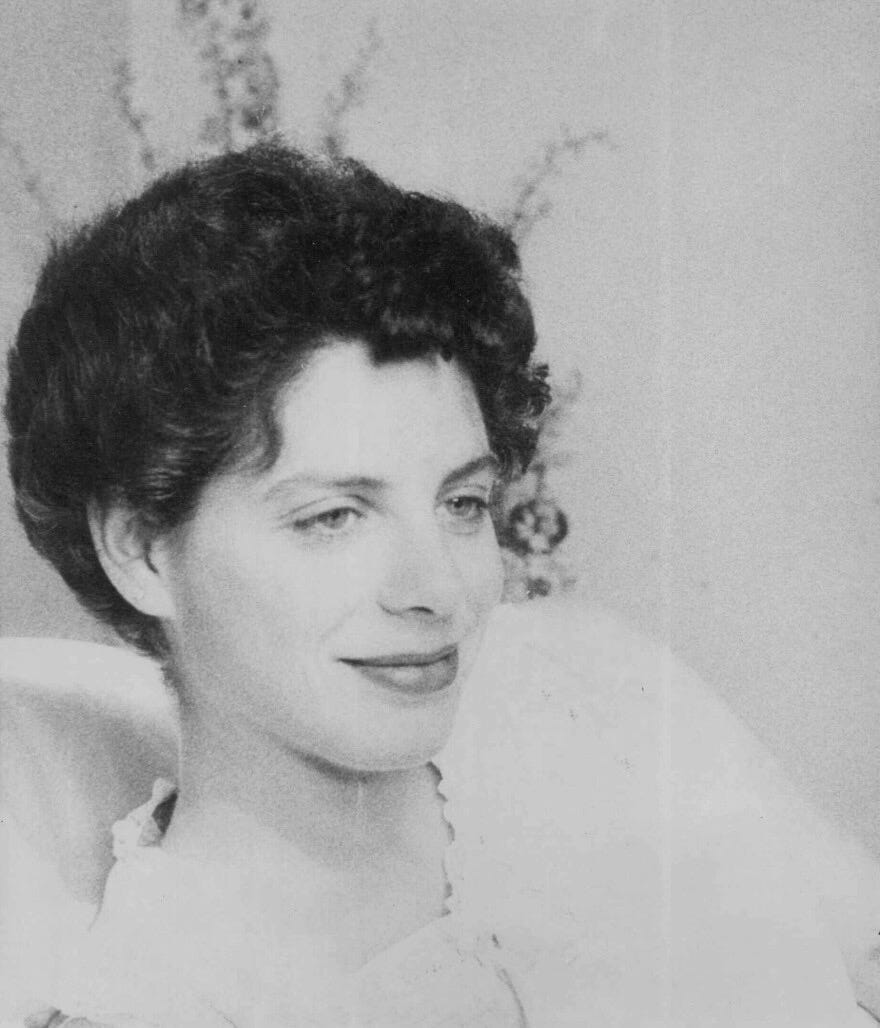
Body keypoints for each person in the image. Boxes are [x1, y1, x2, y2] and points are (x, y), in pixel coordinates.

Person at [3, 140, 878, 1026]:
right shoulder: (156, 1006)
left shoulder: (590, 696)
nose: (439, 590)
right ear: (142, 551)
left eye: (461, 503)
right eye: (333, 517)